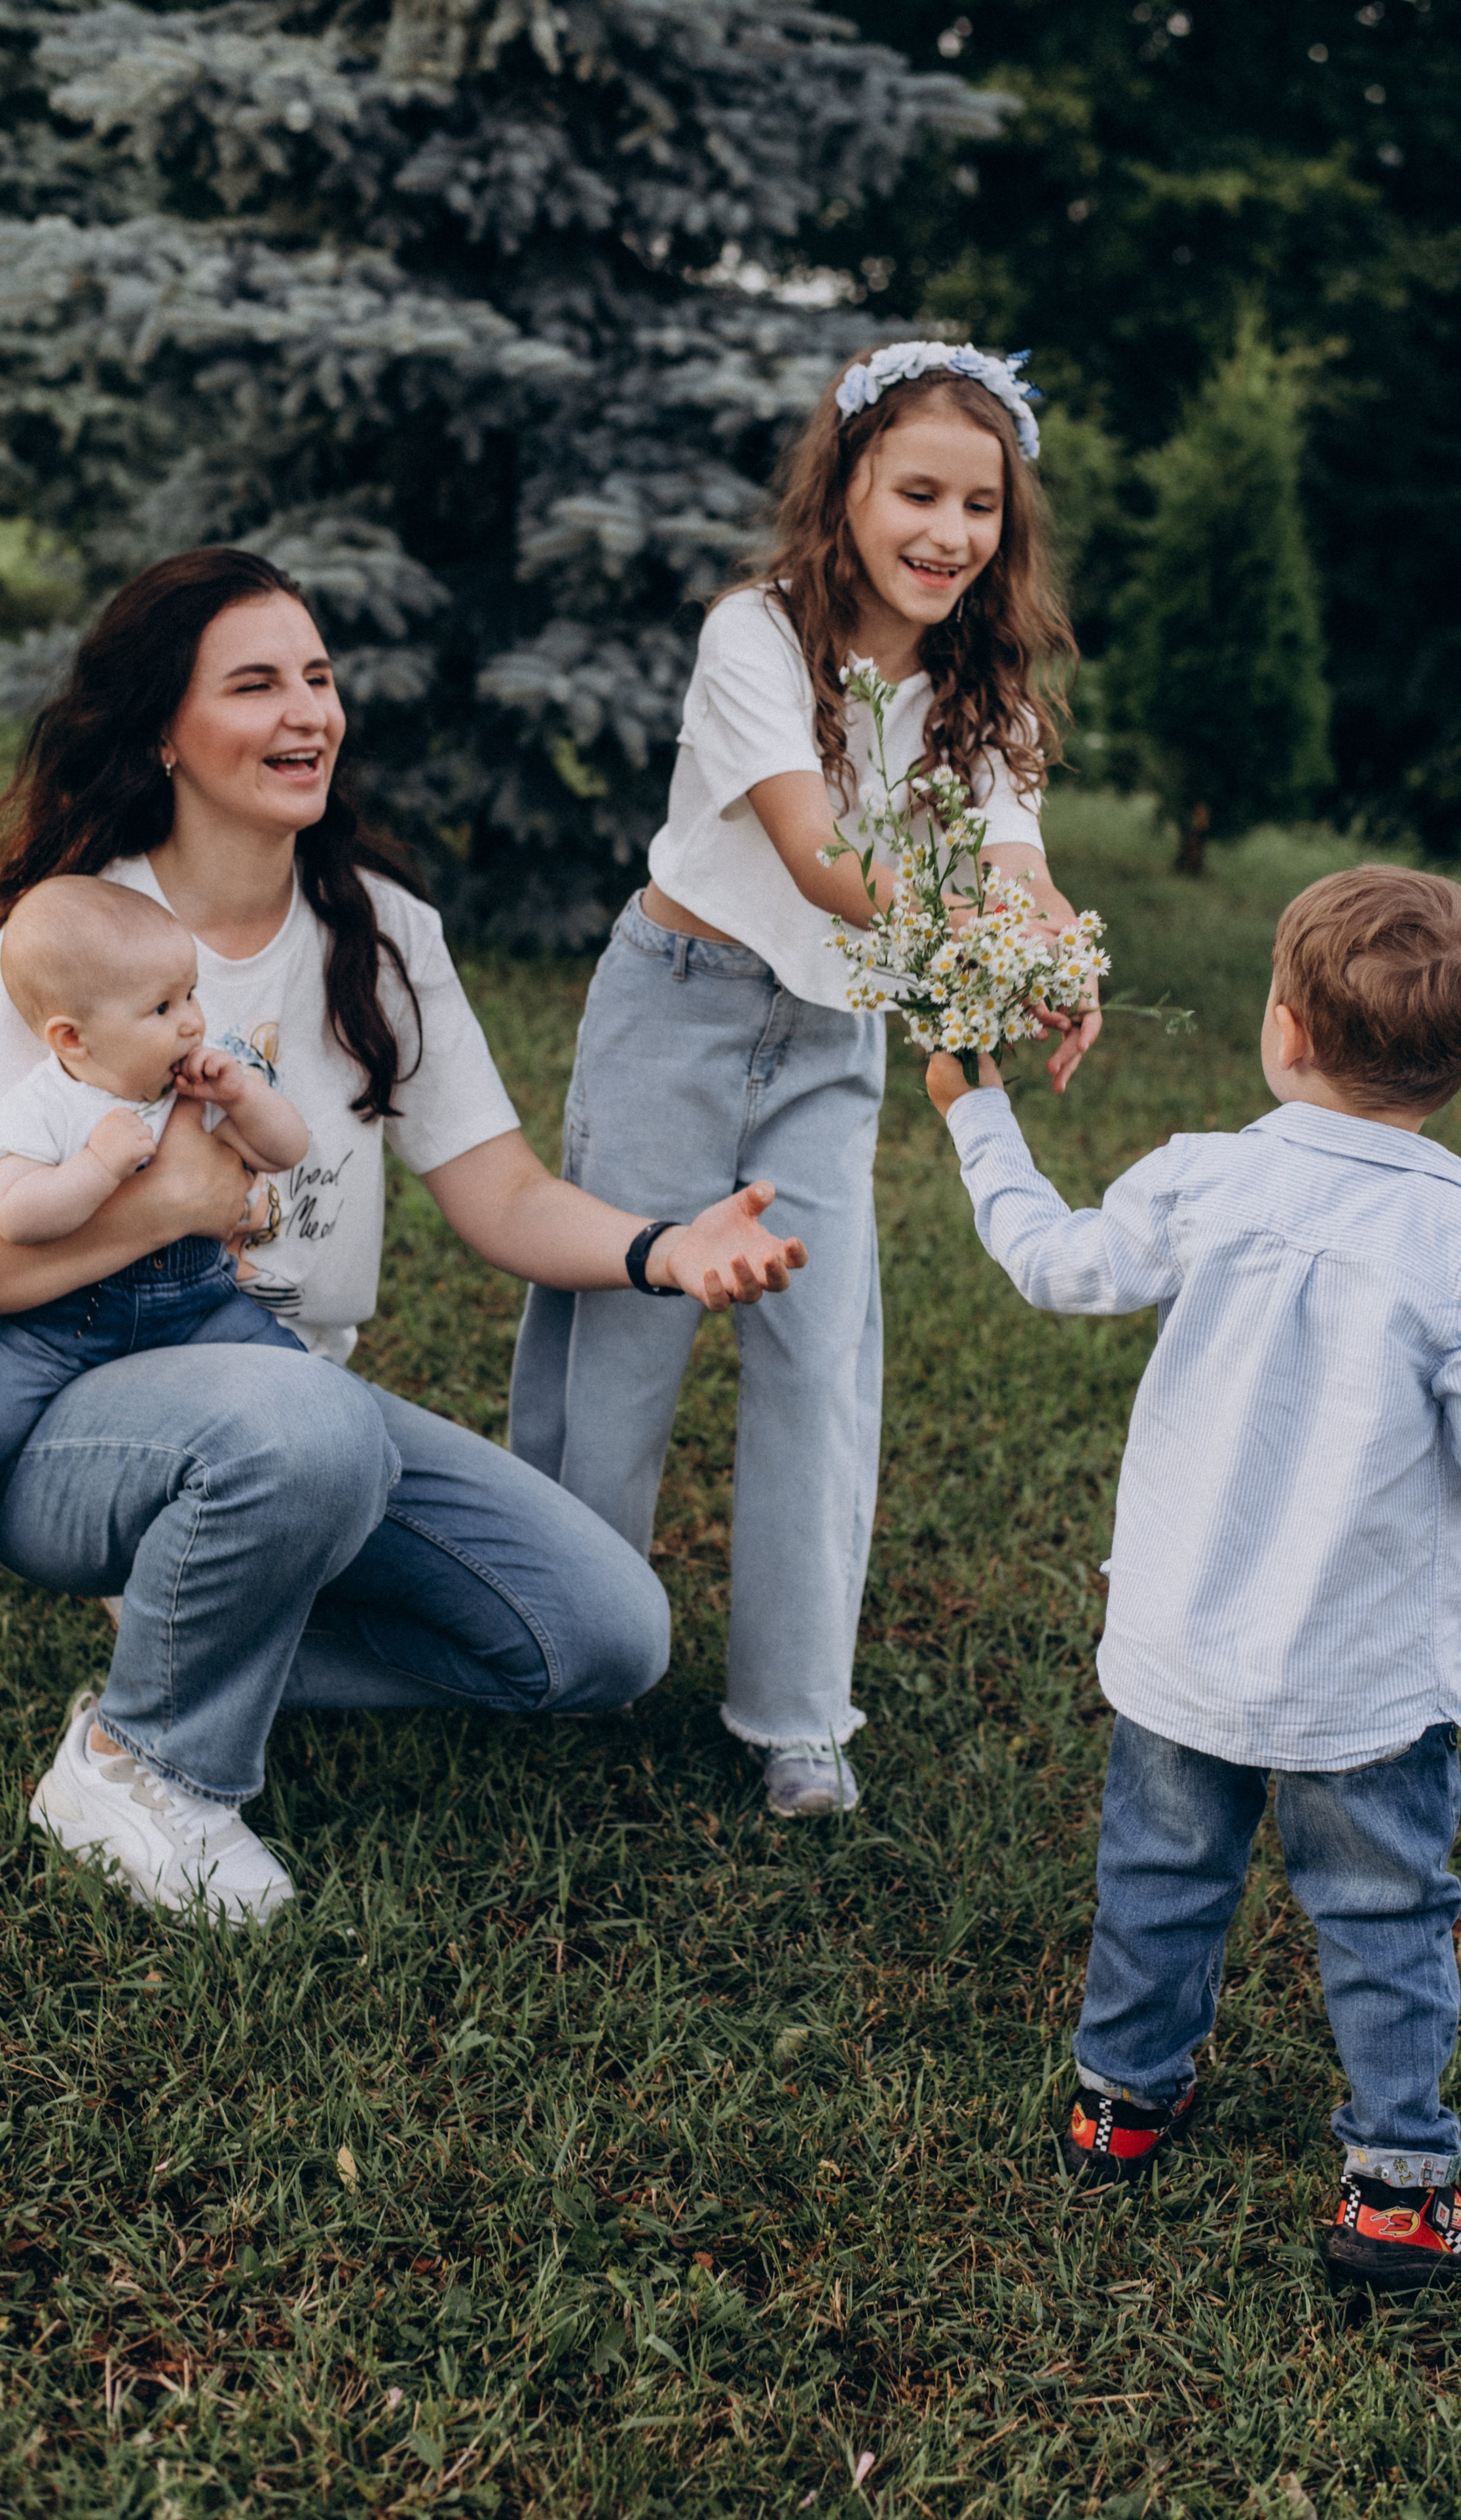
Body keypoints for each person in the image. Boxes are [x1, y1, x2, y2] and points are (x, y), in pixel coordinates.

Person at [5, 547, 807, 1927]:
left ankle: (195, 1615)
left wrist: (666, 1249)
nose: (306, 712)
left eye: (318, 677)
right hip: (69, 1417)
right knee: (307, 1423)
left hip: (286, 1403)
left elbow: (501, 1193)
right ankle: (140, 1762)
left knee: (601, 1635)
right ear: (163, 731)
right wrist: (176, 1206)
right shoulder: (63, 942)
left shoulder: (380, 934)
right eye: (254, 684)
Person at [926, 863, 1461, 2292]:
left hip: (1180, 1643)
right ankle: (1394, 2193)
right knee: (1385, 1917)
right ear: (1460, 1065)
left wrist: (977, 1109)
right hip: (1363, 1678)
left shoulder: (1201, 1173)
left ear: (1282, 1026)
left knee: (1158, 1876)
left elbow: (1051, 1261)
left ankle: (1119, 2105)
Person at [509, 339, 1098, 1819]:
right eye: (917, 494)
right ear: (843, 491)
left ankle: (795, 1715)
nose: (948, 533)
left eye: (979, 506)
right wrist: (973, 932)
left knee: (819, 1359)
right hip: (677, 1006)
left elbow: (1013, 859)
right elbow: (819, 857)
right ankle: (564, 1650)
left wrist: (1054, 953)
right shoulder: (755, 638)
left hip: (830, 1041)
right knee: (622, 1338)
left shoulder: (987, 683)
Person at [0, 876, 311, 1458]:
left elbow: (286, 1150)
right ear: (72, 1038)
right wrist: (97, 1166)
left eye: (191, 994)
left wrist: (244, 1096)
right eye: (163, 1007)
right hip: (64, 1327)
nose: (193, 1022)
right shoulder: (44, 1106)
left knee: (306, 1390)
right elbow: (17, 1217)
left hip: (198, 1310)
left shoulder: (193, 1087)